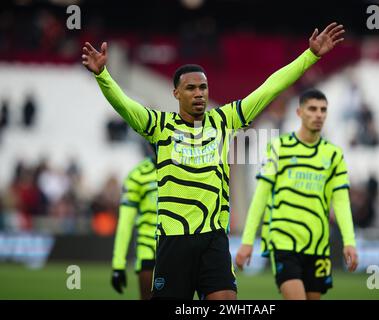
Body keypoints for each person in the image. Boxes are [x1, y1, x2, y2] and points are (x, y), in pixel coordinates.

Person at [82, 22, 345, 300]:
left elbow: (270, 88)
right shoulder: (160, 125)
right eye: (191, 88)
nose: (199, 94)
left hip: (214, 241)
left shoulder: (224, 121)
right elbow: (124, 105)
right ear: (176, 94)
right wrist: (103, 76)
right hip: (174, 243)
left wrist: (310, 56)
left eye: (203, 88)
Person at [235, 89, 358, 300]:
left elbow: (340, 201)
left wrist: (349, 241)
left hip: (318, 244)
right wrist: (247, 241)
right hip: (283, 241)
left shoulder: (333, 155)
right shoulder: (279, 148)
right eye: (312, 109)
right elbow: (261, 196)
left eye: (323, 110)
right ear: (299, 112)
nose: (318, 114)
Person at [111, 156, 158, 300]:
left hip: (178, 247)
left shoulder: (183, 170)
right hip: (148, 249)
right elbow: (125, 222)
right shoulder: (137, 175)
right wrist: (118, 264)